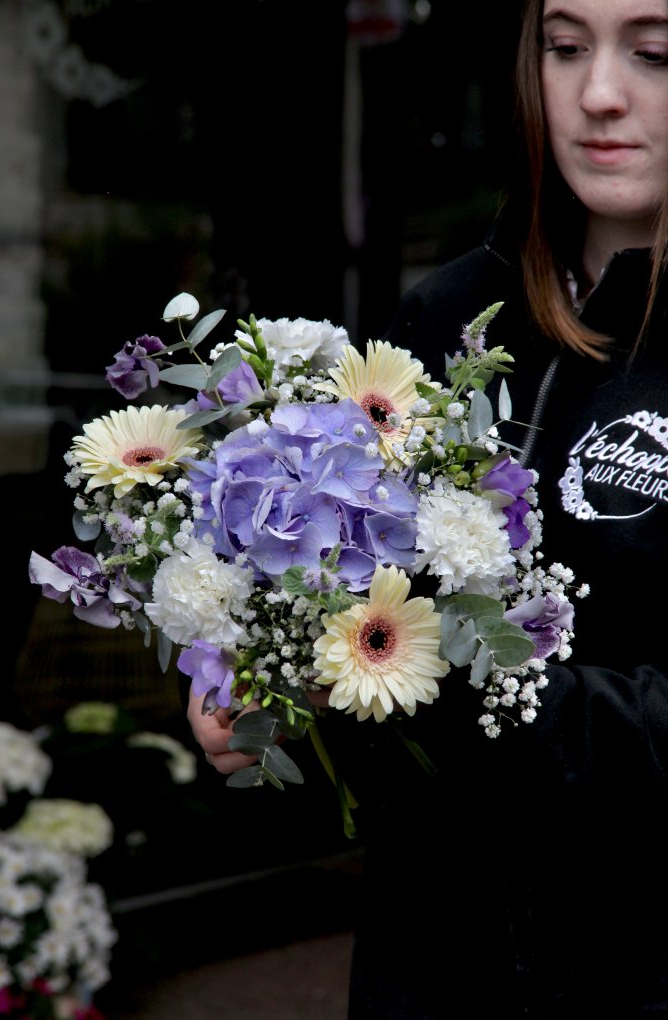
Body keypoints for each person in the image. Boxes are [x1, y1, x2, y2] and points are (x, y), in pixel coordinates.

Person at [187, 0, 668, 1015]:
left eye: (654, 52)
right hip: (429, 965)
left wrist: (436, 675)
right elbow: (364, 652)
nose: (596, 95)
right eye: (565, 46)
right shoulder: (446, 313)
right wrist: (281, 696)